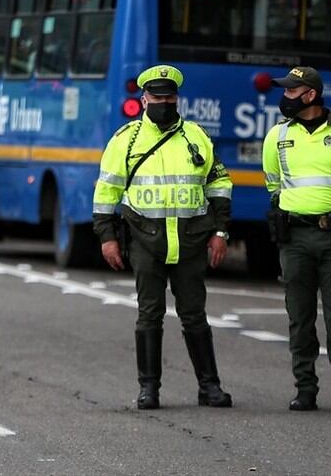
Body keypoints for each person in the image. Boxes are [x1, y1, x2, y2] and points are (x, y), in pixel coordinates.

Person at [92, 65, 234, 410]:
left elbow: (219, 185)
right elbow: (106, 192)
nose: (164, 103)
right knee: (149, 314)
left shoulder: (197, 136)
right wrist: (107, 238)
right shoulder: (124, 140)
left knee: (195, 315)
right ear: (144, 99)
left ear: (177, 99)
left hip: (190, 242)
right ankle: (149, 389)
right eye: (157, 97)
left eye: (170, 97)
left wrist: (220, 231)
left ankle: (209, 387)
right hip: (146, 241)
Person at [262, 66, 331, 412]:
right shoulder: (277, 136)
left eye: (291, 92)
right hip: (294, 237)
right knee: (300, 315)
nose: (285, 98)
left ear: (310, 95)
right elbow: (273, 182)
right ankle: (305, 388)